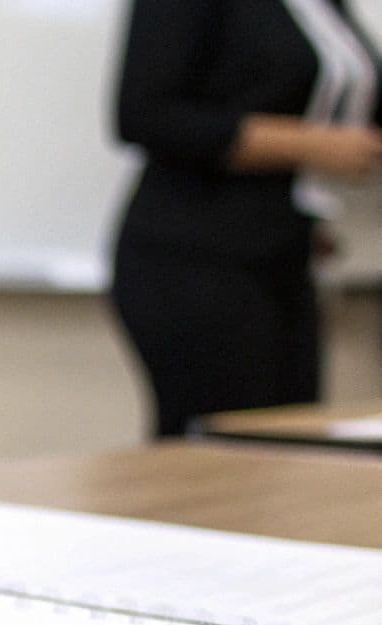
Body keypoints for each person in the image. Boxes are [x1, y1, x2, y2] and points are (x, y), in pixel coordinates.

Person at [113, 0, 382, 437]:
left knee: (291, 447)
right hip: (194, 255)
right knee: (224, 453)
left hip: (287, 255)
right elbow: (145, 115)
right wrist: (311, 146)